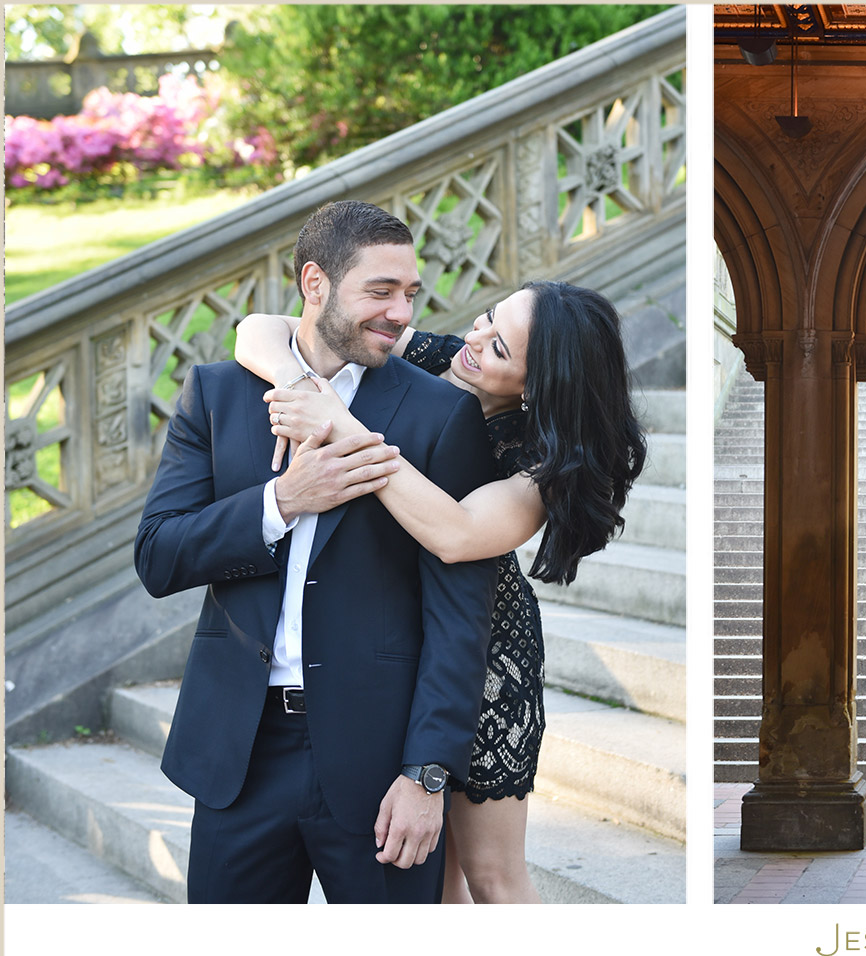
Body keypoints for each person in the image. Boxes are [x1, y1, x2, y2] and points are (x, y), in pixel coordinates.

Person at [234, 278, 646, 904]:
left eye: (500, 348)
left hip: (480, 653)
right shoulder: (438, 356)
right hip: (395, 633)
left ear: (536, 386)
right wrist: (303, 386)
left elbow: (455, 534)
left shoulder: (540, 463)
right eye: (487, 318)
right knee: (430, 876)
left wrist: (340, 425)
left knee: (491, 872)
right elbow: (258, 328)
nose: (475, 341)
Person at [134, 200, 498, 903]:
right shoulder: (217, 394)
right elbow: (158, 555)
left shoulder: (440, 414)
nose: (400, 313)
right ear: (315, 283)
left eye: (410, 293)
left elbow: (459, 615)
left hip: (380, 761)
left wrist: (427, 774)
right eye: (380, 291)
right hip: (240, 755)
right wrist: (281, 501)